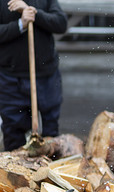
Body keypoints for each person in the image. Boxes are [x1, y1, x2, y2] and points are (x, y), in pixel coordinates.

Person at [0, 0, 67, 151]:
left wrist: (34, 12)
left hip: (46, 76)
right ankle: (15, 172)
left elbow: (61, 23)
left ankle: (49, 170)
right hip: (11, 78)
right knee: (13, 132)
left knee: (51, 130)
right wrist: (20, 24)